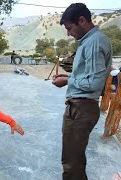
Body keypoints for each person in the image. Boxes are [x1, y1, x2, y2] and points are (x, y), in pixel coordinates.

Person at [52, 3, 112, 180]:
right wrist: (70, 77)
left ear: (82, 20)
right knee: (72, 159)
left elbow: (94, 83)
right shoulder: (88, 41)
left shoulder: (94, 41)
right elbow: (88, 76)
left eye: (70, 28)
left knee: (72, 163)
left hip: (82, 109)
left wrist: (68, 80)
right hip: (78, 107)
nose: (68, 33)